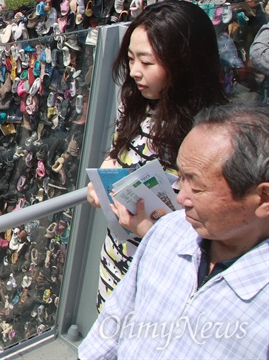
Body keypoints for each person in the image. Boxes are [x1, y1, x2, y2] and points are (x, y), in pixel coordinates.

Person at [79, 103, 269, 360]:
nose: (181, 198)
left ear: (262, 198)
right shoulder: (169, 231)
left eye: (197, 187)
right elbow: (116, 320)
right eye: (180, 177)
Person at [86, 0, 227, 310]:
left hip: (161, 280)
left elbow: (217, 235)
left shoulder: (212, 138)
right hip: (117, 264)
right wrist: (109, 170)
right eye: (131, 59)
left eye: (147, 62)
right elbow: (125, 160)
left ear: (184, 63)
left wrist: (151, 232)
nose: (135, 72)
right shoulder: (142, 106)